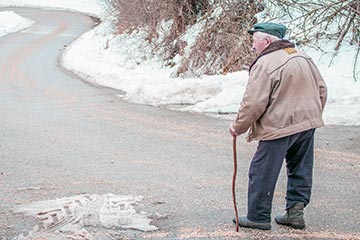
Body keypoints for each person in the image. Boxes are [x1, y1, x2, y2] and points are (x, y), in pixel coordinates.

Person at [229, 22, 327, 230]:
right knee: (300, 168)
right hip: (307, 123)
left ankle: (258, 216)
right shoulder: (302, 57)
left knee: (262, 170)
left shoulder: (265, 63)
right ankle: (295, 213)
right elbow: (322, 89)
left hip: (279, 125)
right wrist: (312, 115)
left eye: (254, 41)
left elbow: (253, 103)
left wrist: (238, 127)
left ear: (266, 41)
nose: (252, 47)